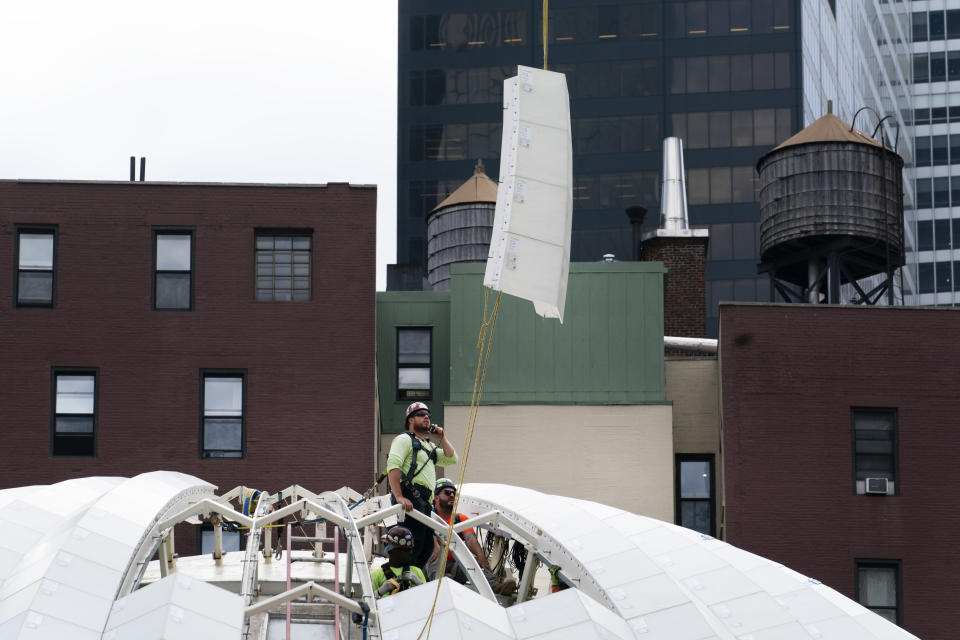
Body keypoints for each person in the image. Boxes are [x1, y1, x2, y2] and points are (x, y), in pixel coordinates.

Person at [386, 401, 458, 570]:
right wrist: (399, 496)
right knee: (411, 548)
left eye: (428, 415)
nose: (426, 417)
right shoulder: (404, 440)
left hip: (425, 503)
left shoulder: (429, 446)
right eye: (421, 414)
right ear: (410, 419)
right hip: (410, 498)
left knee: (426, 549)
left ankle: (412, 581)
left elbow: (451, 458)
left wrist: (442, 438)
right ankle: (403, 582)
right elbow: (393, 466)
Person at [429, 478, 516, 595]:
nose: (452, 495)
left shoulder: (460, 519)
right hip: (434, 565)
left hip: (455, 566)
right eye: (447, 492)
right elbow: (426, 536)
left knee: (475, 561)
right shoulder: (429, 517)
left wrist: (481, 556)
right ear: (436, 497)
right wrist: (434, 545)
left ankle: (495, 587)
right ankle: (441, 584)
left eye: (454, 493)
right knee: (431, 558)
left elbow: (471, 540)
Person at [371, 526, 427, 598]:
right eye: (406, 550)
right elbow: (365, 604)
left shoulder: (416, 572)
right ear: (392, 550)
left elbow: (427, 598)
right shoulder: (377, 575)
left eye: (411, 549)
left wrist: (420, 583)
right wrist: (380, 592)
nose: (411, 552)